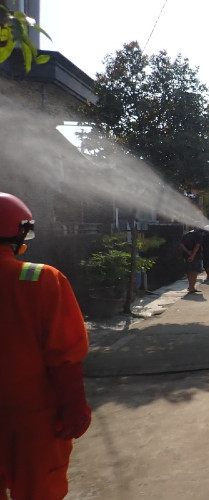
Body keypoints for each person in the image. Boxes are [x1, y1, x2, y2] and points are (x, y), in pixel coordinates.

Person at [0, 192, 92, 499]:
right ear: (18, 232)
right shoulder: (40, 279)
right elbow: (65, 355)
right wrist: (75, 407)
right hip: (31, 420)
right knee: (39, 490)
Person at [180, 227, 204, 293]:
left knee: (189, 272)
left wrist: (188, 252)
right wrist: (192, 255)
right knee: (194, 272)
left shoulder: (187, 234)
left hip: (186, 256)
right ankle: (192, 287)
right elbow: (197, 246)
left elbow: (182, 244)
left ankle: (190, 286)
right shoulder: (198, 235)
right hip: (196, 256)